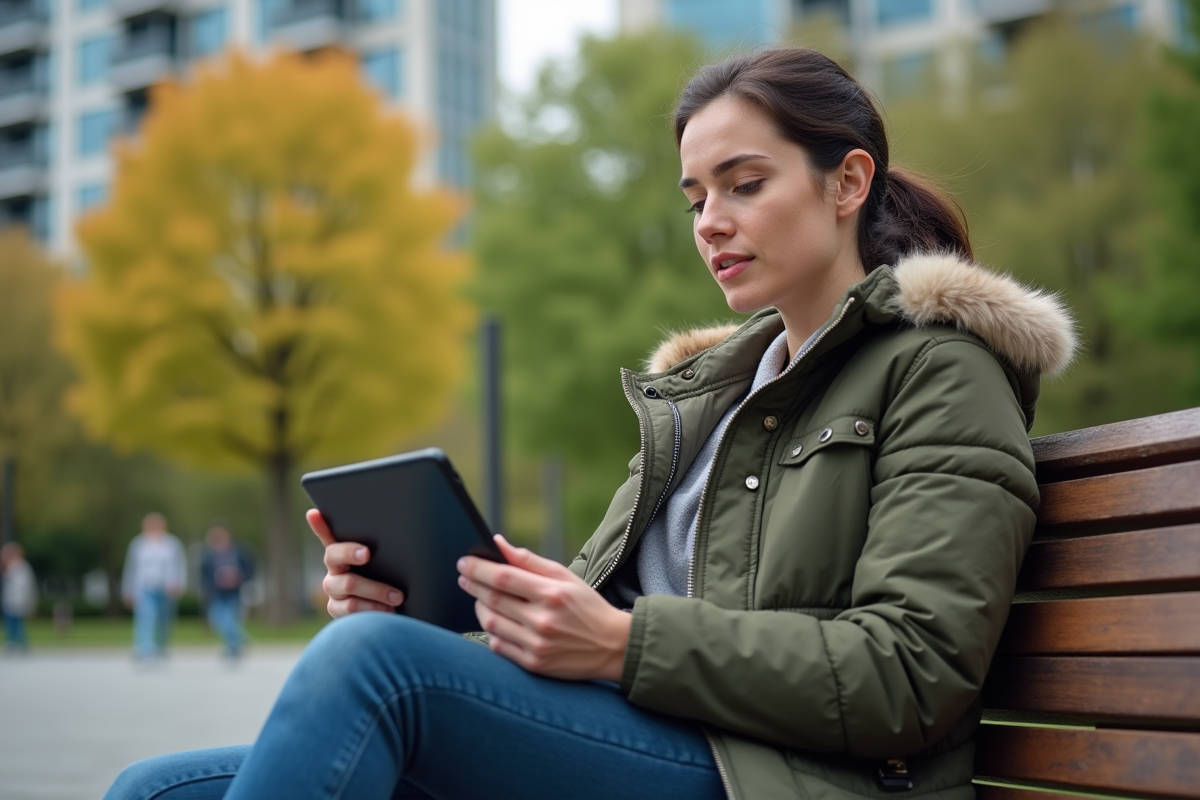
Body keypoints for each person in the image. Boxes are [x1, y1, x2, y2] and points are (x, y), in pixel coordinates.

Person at [104, 47, 1077, 800]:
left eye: (745, 183)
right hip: (649, 733)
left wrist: (622, 645)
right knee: (156, 785)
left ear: (847, 181)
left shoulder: (939, 371)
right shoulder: (707, 393)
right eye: (696, 196)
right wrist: (463, 613)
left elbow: (910, 674)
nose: (710, 221)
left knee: (374, 669)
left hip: (785, 776)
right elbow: (598, 621)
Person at [121, 512, 187, 661]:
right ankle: (144, 648)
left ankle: (161, 646)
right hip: (145, 587)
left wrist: (179, 583)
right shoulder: (138, 544)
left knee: (164, 620)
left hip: (166, 587)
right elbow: (131, 568)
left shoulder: (171, 543)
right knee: (146, 617)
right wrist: (128, 591)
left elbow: (180, 565)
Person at [200, 522, 255, 659]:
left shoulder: (238, 551)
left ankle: (232, 647)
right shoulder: (209, 555)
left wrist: (239, 578)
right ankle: (241, 639)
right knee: (218, 619)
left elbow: (250, 568)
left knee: (230, 619)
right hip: (216, 592)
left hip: (233, 592)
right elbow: (204, 574)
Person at [1, 542, 37, 654]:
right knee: (14, 624)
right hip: (12, 601)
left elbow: (22, 587)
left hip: (16, 601)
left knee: (14, 624)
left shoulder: (19, 567)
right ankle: (20, 643)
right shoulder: (14, 567)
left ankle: (16, 644)